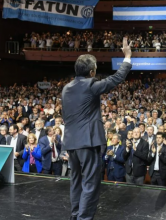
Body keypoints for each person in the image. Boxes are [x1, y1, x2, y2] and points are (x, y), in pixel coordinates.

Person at [61, 37, 132, 220]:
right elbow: (116, 78)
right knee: (91, 183)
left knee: (75, 182)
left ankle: (76, 215)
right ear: (92, 72)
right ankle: (84, 218)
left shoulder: (66, 88)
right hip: (88, 141)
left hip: (71, 143)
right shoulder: (91, 85)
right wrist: (127, 57)